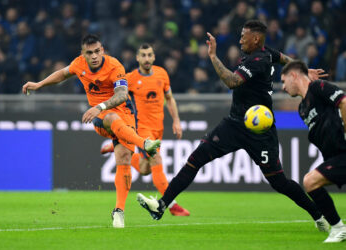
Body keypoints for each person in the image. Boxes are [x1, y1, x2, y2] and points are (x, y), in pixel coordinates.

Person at [136, 20, 329, 231]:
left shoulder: (258, 60)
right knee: (195, 159)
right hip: (235, 123)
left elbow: (231, 81)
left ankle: (318, 215)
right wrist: (301, 71)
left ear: (255, 39)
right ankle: (161, 205)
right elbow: (282, 58)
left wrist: (212, 56)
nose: (240, 40)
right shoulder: (266, 52)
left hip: (260, 132)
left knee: (279, 182)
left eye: (244, 36)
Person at [22, 34, 161, 228]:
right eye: (90, 53)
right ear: (83, 54)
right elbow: (63, 73)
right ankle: (144, 143)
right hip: (101, 119)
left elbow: (122, 95)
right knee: (112, 119)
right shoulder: (79, 64)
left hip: (125, 115)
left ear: (102, 50)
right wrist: (39, 84)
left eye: (97, 51)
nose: (94, 56)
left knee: (125, 160)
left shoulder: (115, 66)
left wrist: (101, 106)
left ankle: (118, 211)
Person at [101, 43, 190, 216]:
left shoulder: (162, 74)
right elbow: (116, 92)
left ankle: (117, 147)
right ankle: (171, 205)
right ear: (137, 58)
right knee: (156, 159)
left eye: (150, 55)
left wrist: (176, 120)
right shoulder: (131, 78)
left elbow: (170, 98)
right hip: (141, 128)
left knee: (144, 168)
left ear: (154, 57)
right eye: (143, 55)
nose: (147, 58)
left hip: (158, 128)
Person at [281, 60, 346, 243]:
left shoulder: (318, 87)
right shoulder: (302, 109)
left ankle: (339, 228)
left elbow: (344, 102)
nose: (283, 88)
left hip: (344, 152)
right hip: (336, 157)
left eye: (284, 81)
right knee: (311, 182)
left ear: (294, 75)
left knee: (310, 181)